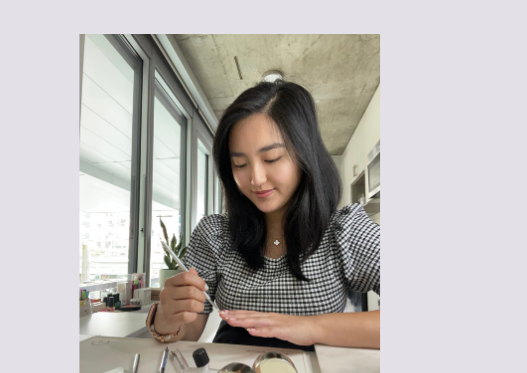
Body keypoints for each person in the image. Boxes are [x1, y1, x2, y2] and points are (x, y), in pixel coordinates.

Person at [145, 80, 380, 351]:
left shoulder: (344, 231)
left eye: (272, 159)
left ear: (306, 155)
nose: (255, 179)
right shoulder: (215, 234)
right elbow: (189, 331)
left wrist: (310, 327)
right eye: (240, 164)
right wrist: (167, 318)